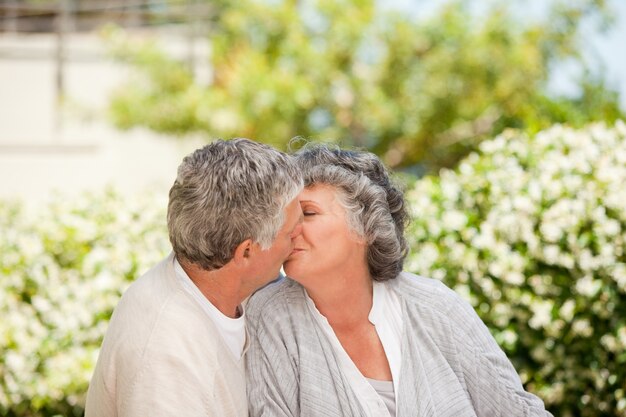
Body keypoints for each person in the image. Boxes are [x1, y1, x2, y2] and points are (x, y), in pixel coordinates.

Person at [245, 144, 552, 417]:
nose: (288, 230)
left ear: (365, 228)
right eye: (285, 218)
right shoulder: (269, 316)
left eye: (308, 214)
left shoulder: (436, 307)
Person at [85, 138, 303, 417]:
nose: (300, 237)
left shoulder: (219, 283)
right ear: (246, 252)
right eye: (291, 231)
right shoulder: (165, 358)